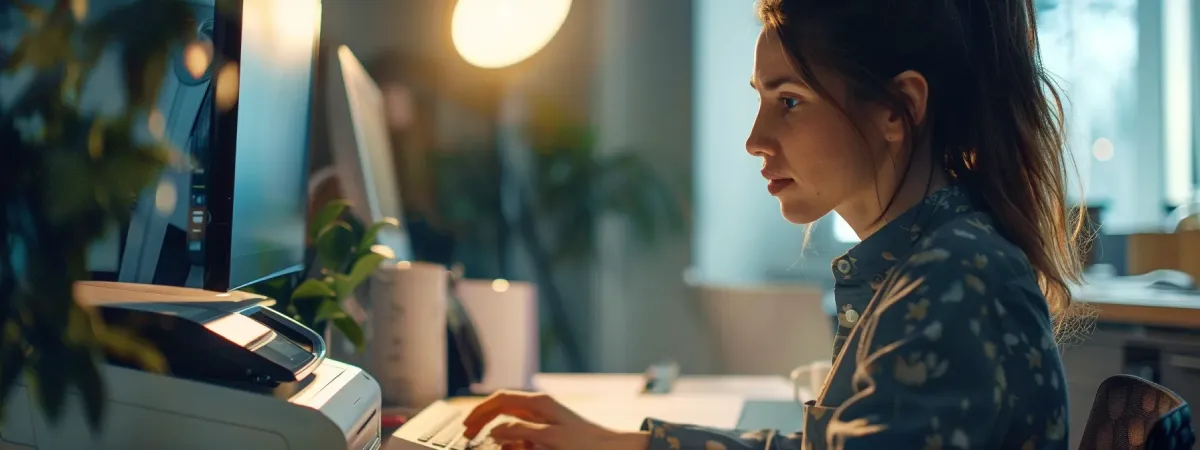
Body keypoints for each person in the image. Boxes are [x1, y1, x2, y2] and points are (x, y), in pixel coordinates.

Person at [461, 0, 1086, 448]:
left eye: (789, 102)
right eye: (761, 100)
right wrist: (617, 443)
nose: (755, 140)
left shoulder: (953, 280)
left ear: (900, 109)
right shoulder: (925, 265)